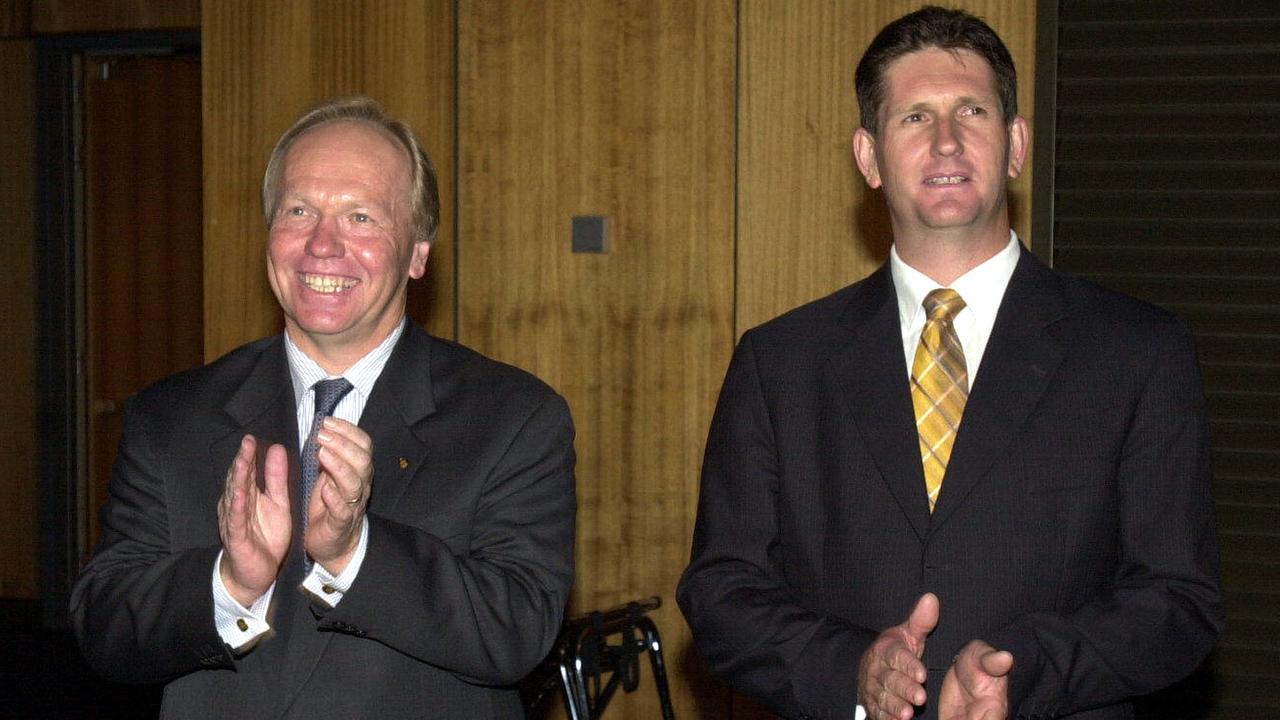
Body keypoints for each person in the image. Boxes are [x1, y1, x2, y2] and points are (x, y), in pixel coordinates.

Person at [677, 6, 1222, 720]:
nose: (945, 143)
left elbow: (1179, 601)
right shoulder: (781, 363)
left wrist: (1024, 673)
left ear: (1017, 144)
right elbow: (723, 590)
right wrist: (855, 671)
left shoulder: (1137, 352)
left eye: (972, 110)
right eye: (913, 118)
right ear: (869, 158)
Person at [71, 96, 577, 718]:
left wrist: (353, 552)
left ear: (419, 252)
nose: (322, 245)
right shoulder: (173, 415)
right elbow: (104, 632)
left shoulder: (512, 418)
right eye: (299, 210)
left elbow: (517, 635)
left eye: (361, 217)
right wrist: (231, 585)